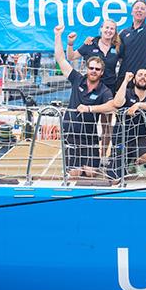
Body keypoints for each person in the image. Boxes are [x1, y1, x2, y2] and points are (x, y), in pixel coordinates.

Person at [53, 25, 117, 177]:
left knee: (90, 173)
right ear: (87, 69)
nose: (93, 71)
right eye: (91, 68)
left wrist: (89, 109)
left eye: (97, 69)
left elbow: (112, 106)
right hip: (72, 132)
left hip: (89, 135)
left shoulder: (104, 90)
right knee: (75, 173)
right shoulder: (77, 79)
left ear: (102, 72)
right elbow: (61, 59)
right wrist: (58, 36)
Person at [86, 69, 146, 179]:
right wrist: (125, 80)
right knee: (115, 177)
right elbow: (117, 103)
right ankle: (122, 161)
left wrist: (139, 105)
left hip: (140, 137)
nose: (143, 77)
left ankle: (134, 161)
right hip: (121, 137)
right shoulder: (127, 92)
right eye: (140, 75)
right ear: (134, 79)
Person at [67, 19, 122, 91]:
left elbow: (123, 63)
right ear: (101, 29)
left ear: (115, 32)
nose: (109, 30)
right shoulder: (90, 44)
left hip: (110, 88)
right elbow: (71, 57)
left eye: (112, 29)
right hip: (91, 88)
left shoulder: (118, 47)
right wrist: (70, 43)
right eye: (107, 27)